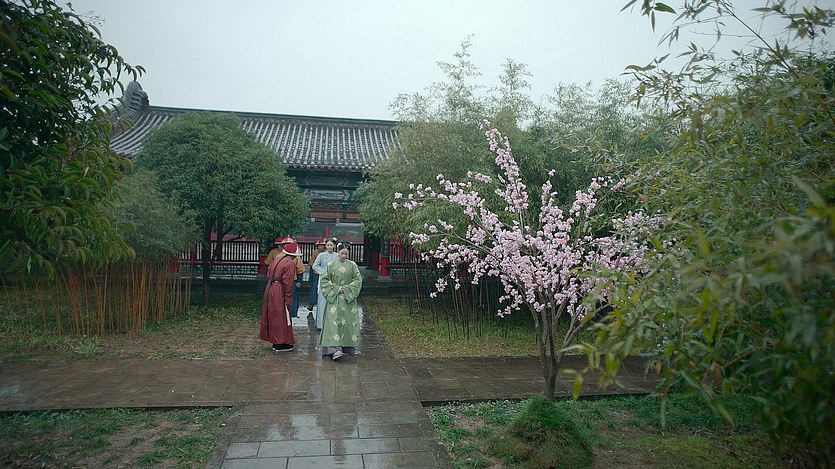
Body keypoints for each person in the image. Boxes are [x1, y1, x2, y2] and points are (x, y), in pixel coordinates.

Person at [319, 243, 362, 360]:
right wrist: (337, 289)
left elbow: (357, 280)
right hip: (335, 298)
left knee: (348, 324)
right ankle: (334, 349)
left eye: (346, 254)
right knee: (334, 323)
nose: (344, 256)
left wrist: (346, 289)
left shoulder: (353, 265)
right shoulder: (331, 265)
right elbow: (324, 280)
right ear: (338, 252)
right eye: (342, 253)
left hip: (348, 300)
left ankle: (347, 348)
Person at [260, 242, 302, 353]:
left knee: (273, 315)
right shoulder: (290, 263)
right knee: (282, 316)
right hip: (279, 290)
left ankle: (275, 341)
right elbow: (288, 283)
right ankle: (281, 343)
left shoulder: (278, 257)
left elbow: (269, 272)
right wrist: (289, 298)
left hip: (270, 287)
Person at [265, 236, 306, 317]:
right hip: (279, 283)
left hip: (292, 281)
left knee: (291, 299)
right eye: (285, 244)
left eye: (289, 244)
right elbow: (268, 265)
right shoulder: (275, 254)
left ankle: (291, 314)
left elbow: (300, 269)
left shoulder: (295, 257)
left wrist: (299, 281)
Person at [311, 239, 339, 330]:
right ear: (326, 246)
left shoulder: (337, 256)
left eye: (331, 245)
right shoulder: (321, 255)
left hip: (334, 280)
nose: (329, 247)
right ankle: (320, 324)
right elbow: (315, 266)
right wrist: (323, 272)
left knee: (333, 302)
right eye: (328, 245)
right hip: (323, 279)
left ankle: (332, 324)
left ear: (334, 246)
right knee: (322, 302)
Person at [307, 238, 326, 319]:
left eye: (322, 245)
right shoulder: (315, 252)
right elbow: (312, 263)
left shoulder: (327, 253)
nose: (320, 247)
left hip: (325, 273)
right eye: (319, 245)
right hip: (316, 273)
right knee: (314, 288)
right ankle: (311, 303)